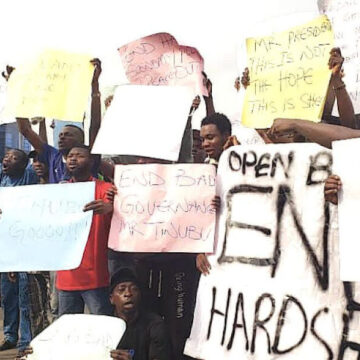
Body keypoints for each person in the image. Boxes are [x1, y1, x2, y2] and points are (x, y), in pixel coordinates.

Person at [15, 58, 103, 184]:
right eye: (61, 135)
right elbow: (25, 130)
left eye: (68, 135)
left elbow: (95, 126)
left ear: (81, 140)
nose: (61, 138)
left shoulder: (89, 156)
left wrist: (95, 86)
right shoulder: (53, 155)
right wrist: (17, 95)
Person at [56, 145, 113, 316]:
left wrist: (110, 209)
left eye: (79, 156)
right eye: (70, 155)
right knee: (67, 333)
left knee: (102, 331)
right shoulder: (58, 193)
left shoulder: (107, 189)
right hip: (66, 277)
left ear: (92, 161)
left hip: (95, 276)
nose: (73, 159)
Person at [0, 149, 38, 358]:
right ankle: (10, 335)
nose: (7, 159)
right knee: (8, 295)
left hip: (25, 246)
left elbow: (40, 159)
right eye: (6, 156)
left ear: (24, 164)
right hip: (5, 245)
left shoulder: (29, 176)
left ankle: (25, 342)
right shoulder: (3, 177)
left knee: (25, 296)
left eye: (14, 157)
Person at [109, 268, 171, 360]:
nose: (128, 293)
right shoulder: (105, 326)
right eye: (121, 290)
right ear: (111, 299)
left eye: (134, 289)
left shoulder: (155, 325)